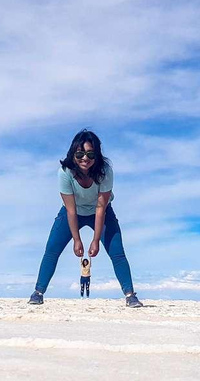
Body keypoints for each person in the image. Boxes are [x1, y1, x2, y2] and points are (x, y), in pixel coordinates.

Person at [29, 129, 143, 308]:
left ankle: (130, 295)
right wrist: (77, 240)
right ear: (73, 154)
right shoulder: (65, 172)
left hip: (102, 212)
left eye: (90, 153)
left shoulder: (105, 171)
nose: (85, 158)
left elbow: (100, 208)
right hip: (72, 211)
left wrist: (95, 240)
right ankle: (38, 292)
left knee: (117, 252)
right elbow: (71, 211)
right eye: (80, 153)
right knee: (52, 250)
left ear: (96, 154)